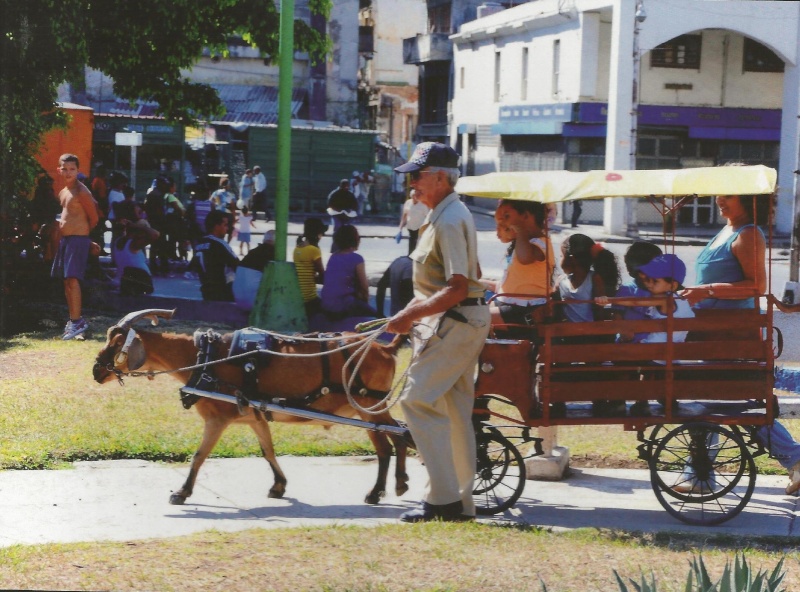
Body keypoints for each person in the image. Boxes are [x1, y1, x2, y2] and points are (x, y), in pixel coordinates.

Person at [387, 142, 490, 523]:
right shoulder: (445, 214)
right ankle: (459, 504)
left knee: (416, 400)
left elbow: (457, 286)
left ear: (442, 179)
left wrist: (409, 314)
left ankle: (443, 501)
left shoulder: (447, 219)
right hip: (460, 321)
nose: (411, 183)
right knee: (453, 410)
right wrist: (415, 314)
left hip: (457, 321)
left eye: (418, 175)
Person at [678, 188, 800, 494]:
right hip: (712, 336)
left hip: (733, 337)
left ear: (746, 199)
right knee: (721, 404)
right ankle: (699, 475)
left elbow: (755, 286)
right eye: (718, 194)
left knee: (728, 404)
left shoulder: (748, 234)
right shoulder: (727, 230)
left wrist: (706, 291)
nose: (719, 199)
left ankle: (698, 476)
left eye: (727, 196)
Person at [556, 233, 621, 416]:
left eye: (560, 256)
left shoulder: (594, 279)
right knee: (559, 357)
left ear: (570, 258)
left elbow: (599, 313)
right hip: (569, 338)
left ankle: (598, 400)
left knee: (593, 361)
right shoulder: (562, 282)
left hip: (590, 336)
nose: (559, 260)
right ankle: (558, 401)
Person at [485, 199, 554, 333]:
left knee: (473, 320)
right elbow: (513, 282)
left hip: (525, 310)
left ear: (526, 216)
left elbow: (525, 258)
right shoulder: (522, 244)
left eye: (507, 216)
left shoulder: (541, 243)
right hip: (508, 304)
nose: (503, 223)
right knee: (467, 309)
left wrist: (520, 229)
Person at [51, 153, 99, 340]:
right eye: (65, 169)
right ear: (59, 170)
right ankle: (74, 322)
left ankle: (78, 321)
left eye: (72, 169)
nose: (68, 172)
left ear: (78, 171)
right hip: (66, 241)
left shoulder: (82, 191)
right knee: (66, 282)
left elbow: (94, 217)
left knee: (73, 279)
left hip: (78, 241)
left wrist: (86, 240)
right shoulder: (63, 191)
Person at [321, 225, 378, 319]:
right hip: (342, 307)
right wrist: (365, 304)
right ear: (355, 240)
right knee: (379, 317)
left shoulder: (333, 257)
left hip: (326, 305)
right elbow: (364, 288)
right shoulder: (357, 258)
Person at [193, 210, 238, 301]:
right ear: (217, 227)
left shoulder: (199, 244)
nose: (227, 228)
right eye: (225, 225)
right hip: (223, 291)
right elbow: (237, 266)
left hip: (206, 291)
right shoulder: (220, 244)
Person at [113, 219, 160, 296]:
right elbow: (156, 234)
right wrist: (138, 226)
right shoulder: (134, 244)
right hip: (139, 280)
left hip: (127, 279)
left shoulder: (119, 241)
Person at [233, 230, 276, 311]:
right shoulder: (272, 254)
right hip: (253, 302)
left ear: (263, 240)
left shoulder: (252, 252)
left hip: (238, 300)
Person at [293, 217, 327, 317]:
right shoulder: (314, 250)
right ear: (317, 234)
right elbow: (321, 273)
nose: (322, 236)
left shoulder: (297, 249)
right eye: (321, 233)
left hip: (298, 295)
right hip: (309, 297)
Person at [327, 178, 359, 245]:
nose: (346, 187)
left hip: (347, 215)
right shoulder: (335, 194)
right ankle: (336, 246)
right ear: (341, 186)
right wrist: (337, 209)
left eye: (347, 186)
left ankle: (346, 244)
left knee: (348, 230)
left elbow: (355, 205)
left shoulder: (350, 194)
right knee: (337, 228)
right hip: (337, 214)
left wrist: (350, 210)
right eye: (344, 186)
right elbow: (330, 204)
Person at [397, 190, 429, 254]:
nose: (415, 197)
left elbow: (428, 217)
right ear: (411, 196)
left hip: (419, 228)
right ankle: (410, 258)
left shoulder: (423, 205)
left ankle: (417, 258)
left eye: (417, 195)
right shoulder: (408, 203)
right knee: (411, 243)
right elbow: (404, 216)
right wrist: (400, 229)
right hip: (410, 227)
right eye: (414, 196)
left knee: (418, 244)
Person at [210, 177, 236, 243]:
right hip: (227, 214)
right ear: (228, 184)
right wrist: (234, 218)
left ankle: (219, 242)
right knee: (230, 230)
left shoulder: (216, 192)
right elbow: (233, 208)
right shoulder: (231, 195)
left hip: (217, 213)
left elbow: (211, 203)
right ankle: (227, 243)